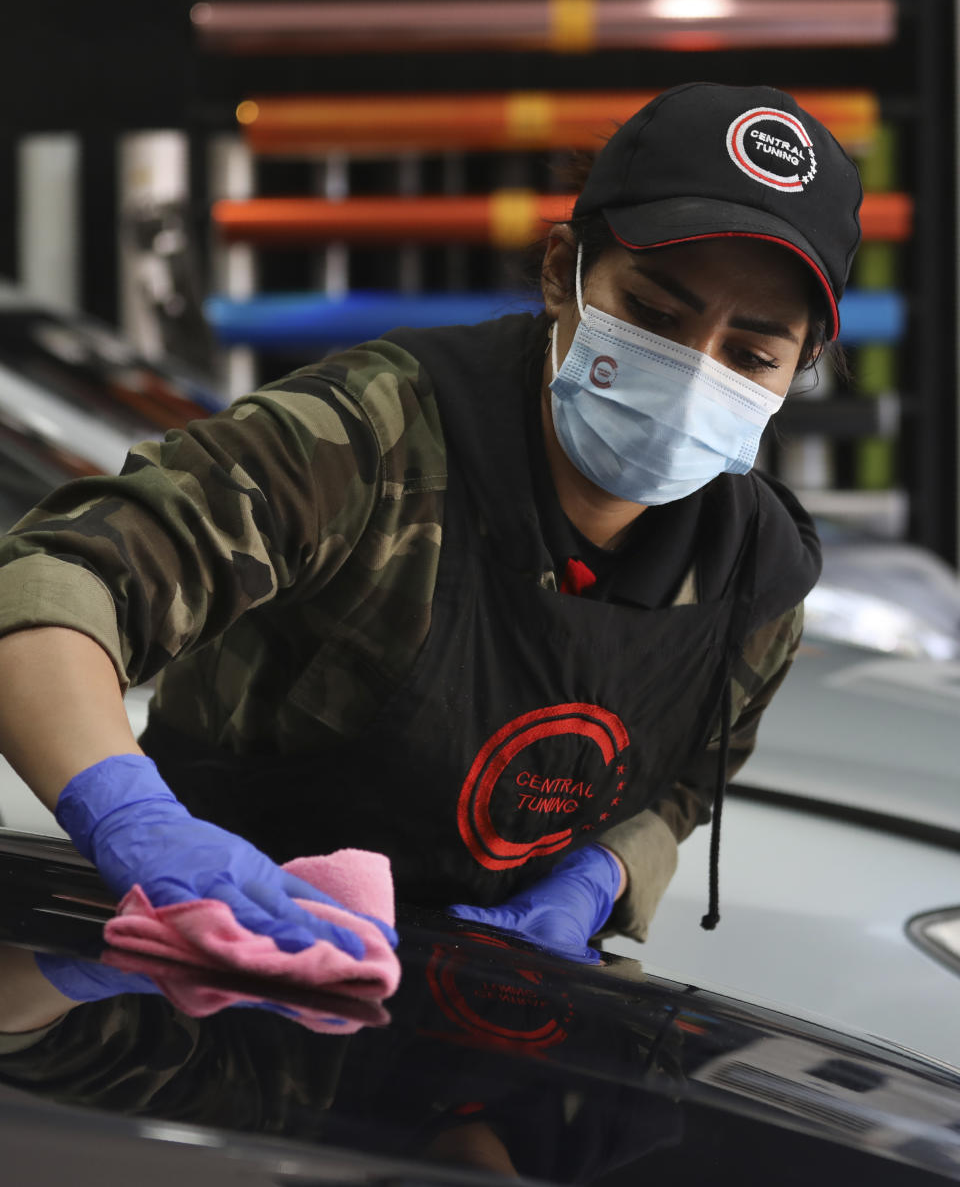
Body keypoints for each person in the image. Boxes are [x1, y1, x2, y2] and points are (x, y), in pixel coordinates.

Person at [0, 83, 862, 962]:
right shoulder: (371, 439)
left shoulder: (755, 579)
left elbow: (687, 781)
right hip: (211, 988)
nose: (690, 373)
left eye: (751, 355)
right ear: (562, 271)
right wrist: (135, 823)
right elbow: (53, 587)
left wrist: (605, 872)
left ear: (801, 369)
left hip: (480, 1041)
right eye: (652, 313)